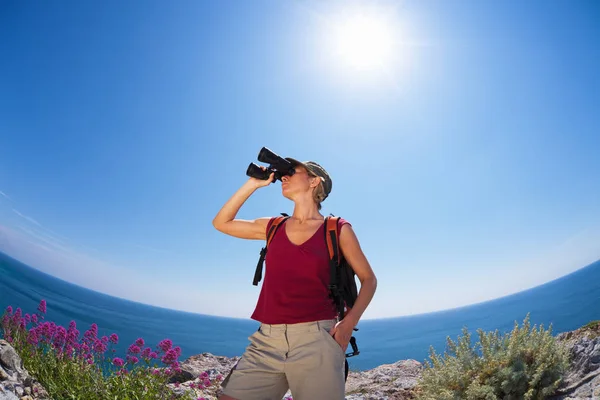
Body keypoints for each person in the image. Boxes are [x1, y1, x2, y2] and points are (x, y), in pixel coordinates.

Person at [212, 156, 377, 400]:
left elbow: (369, 280)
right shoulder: (273, 226)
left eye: (292, 171)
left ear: (314, 181)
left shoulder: (337, 229)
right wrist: (253, 184)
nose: (284, 176)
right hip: (267, 340)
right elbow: (221, 223)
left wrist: (348, 325)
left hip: (317, 340)